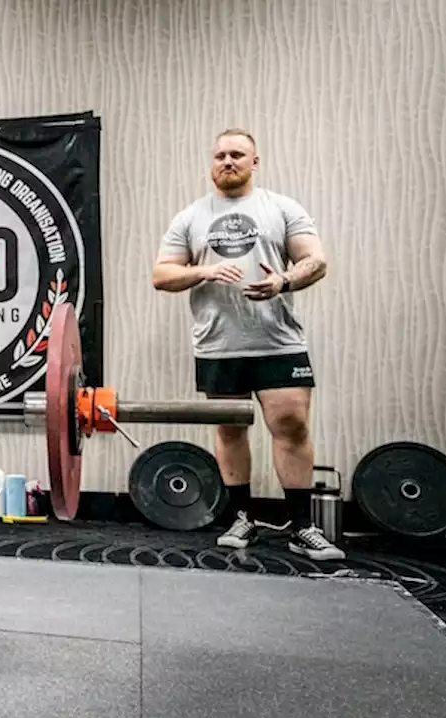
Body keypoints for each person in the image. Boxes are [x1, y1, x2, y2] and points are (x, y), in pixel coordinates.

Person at [151, 128, 343, 561]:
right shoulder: (190, 217)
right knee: (230, 429)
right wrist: (203, 272)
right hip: (219, 346)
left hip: (278, 341)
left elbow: (316, 259)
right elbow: (162, 275)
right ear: (211, 162)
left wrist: (283, 280)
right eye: (219, 154)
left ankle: (303, 527)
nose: (227, 161)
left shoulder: (282, 208)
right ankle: (242, 518)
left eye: (237, 154)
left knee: (291, 426)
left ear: (255, 162)